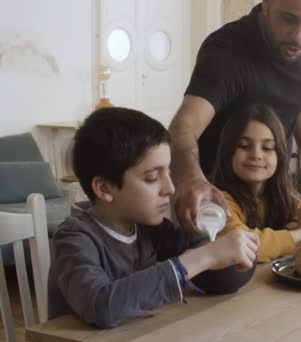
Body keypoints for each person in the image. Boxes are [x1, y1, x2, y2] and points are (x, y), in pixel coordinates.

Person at [47, 107, 259, 328]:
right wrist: (202, 258)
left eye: (168, 172)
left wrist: (230, 249)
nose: (170, 188)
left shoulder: (152, 229)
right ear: (104, 188)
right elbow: (101, 307)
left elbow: (223, 280)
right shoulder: (74, 238)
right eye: (152, 178)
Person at [169, 0, 301, 234]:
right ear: (266, 5)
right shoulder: (226, 51)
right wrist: (191, 179)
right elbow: (182, 129)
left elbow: (300, 94)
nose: (299, 36)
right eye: (289, 19)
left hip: (269, 191)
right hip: (216, 204)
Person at [211, 104, 301, 262]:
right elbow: (244, 246)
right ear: (228, 151)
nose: (256, 155)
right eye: (244, 146)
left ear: (280, 156)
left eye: (267, 148)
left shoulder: (279, 197)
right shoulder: (219, 203)